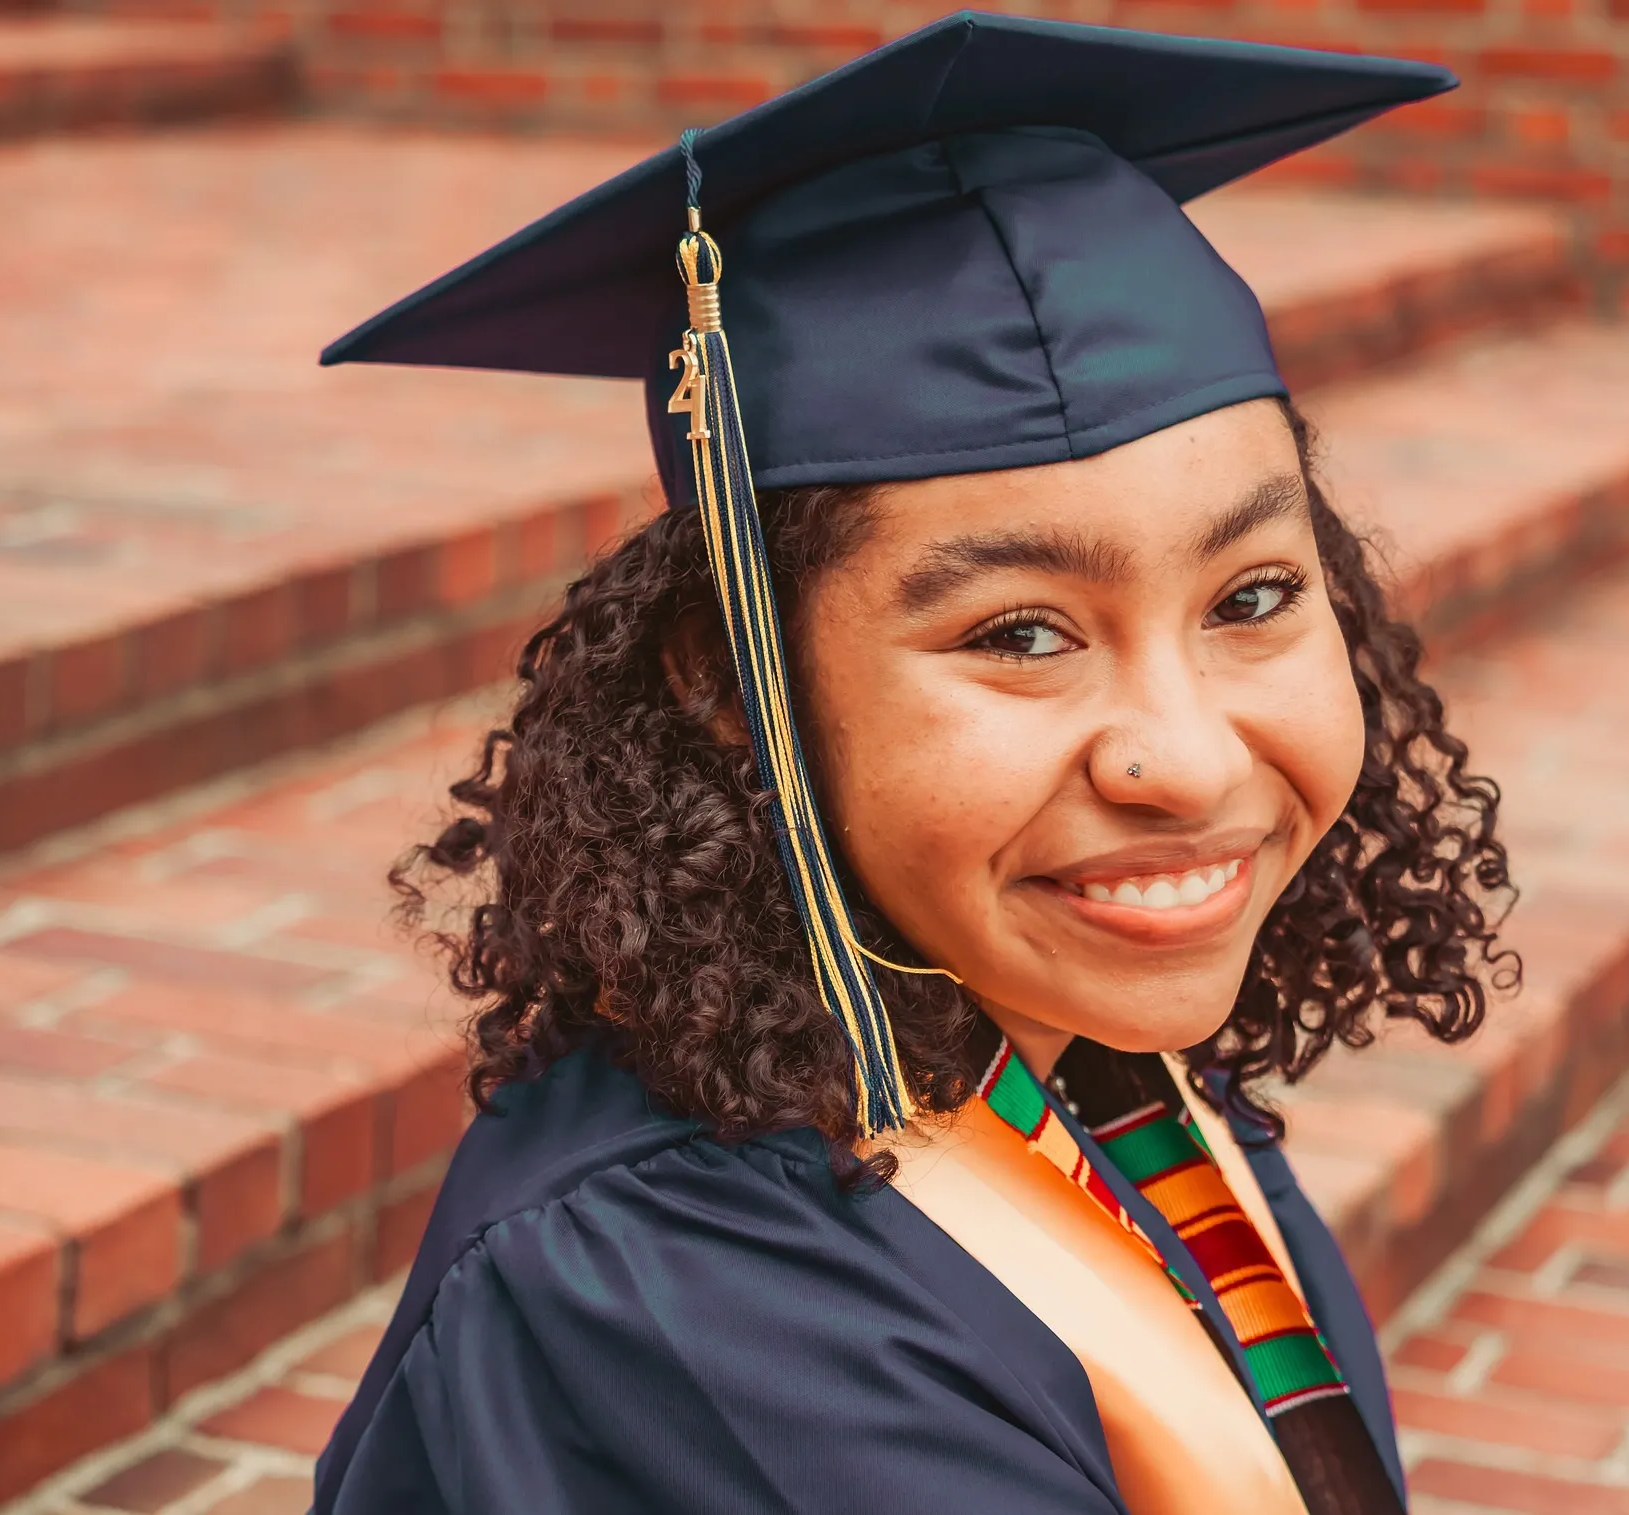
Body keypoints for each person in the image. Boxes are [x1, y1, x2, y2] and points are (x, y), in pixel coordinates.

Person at [310, 13, 1517, 1514]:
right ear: (733, 684)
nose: (1187, 758)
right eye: (1020, 633)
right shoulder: (699, 1301)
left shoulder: (1068, 1062)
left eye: (1252, 597)